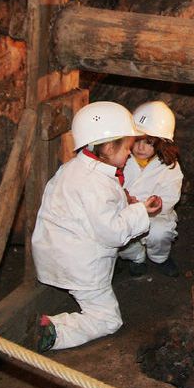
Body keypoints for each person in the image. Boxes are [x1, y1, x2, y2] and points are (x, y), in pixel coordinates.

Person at [32, 101, 163, 351]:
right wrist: (141, 210)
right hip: (80, 265)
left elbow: (89, 211)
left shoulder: (75, 169)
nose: (130, 152)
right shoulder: (97, 185)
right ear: (109, 146)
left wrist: (123, 201)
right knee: (107, 319)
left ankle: (49, 323)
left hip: (54, 250)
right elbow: (112, 233)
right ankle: (53, 333)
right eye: (126, 147)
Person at [118, 100, 184, 278]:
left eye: (149, 142)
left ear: (161, 144)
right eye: (137, 140)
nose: (140, 147)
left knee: (160, 233)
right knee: (121, 237)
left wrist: (152, 204)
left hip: (156, 215)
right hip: (124, 212)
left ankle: (159, 257)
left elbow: (170, 197)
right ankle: (136, 257)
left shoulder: (169, 166)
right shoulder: (120, 157)